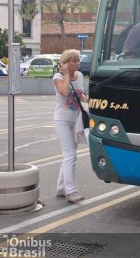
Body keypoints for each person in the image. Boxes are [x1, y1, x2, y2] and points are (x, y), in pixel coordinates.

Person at [52, 49, 87, 204]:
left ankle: (61, 188)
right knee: (70, 155)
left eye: (78, 60)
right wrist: (66, 74)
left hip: (76, 119)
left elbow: (80, 95)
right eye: (74, 60)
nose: (78, 63)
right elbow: (65, 92)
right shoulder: (58, 77)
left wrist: (89, 100)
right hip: (62, 120)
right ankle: (70, 192)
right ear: (66, 63)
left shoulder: (79, 76)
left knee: (69, 154)